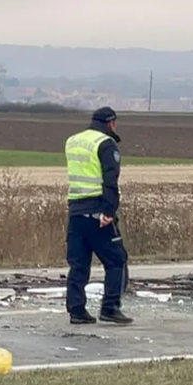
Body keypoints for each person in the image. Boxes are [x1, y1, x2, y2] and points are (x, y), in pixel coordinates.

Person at [64, 107, 132, 325]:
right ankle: (110, 307)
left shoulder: (72, 141)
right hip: (97, 211)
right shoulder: (105, 144)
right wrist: (109, 211)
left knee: (78, 264)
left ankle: (76, 310)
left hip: (76, 211)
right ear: (111, 123)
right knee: (117, 261)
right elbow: (110, 180)